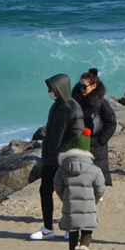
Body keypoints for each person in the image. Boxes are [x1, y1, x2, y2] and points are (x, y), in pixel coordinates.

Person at [30, 74, 84, 240]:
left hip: (64, 161)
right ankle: (47, 228)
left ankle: (71, 227)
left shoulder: (74, 108)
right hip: (49, 160)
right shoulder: (54, 107)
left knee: (67, 195)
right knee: (45, 191)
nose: (49, 92)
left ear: (59, 89)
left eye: (51, 88)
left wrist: (60, 151)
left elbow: (77, 136)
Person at [53, 128, 105, 250]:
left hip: (70, 205)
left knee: (73, 231)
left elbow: (57, 185)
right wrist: (94, 199)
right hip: (88, 205)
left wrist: (64, 198)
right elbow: (100, 187)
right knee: (87, 231)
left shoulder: (62, 168)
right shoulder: (94, 169)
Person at [72, 68, 117, 185]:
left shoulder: (101, 103)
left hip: (97, 145)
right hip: (80, 143)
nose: (81, 89)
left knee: (98, 178)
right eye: (80, 86)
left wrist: (101, 140)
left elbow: (111, 122)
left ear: (94, 86)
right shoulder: (76, 101)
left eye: (84, 87)